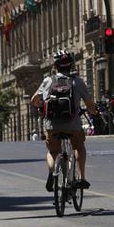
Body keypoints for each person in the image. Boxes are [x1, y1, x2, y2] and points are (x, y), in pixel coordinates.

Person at [31, 49, 97, 192]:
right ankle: (82, 178)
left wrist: (41, 106)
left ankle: (51, 172)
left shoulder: (48, 81)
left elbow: (34, 100)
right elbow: (90, 104)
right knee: (79, 147)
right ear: (71, 65)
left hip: (52, 125)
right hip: (73, 125)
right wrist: (95, 113)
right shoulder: (78, 82)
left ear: (55, 66)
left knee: (53, 152)